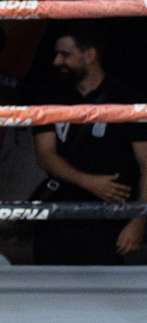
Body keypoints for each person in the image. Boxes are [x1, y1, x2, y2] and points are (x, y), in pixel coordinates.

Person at [33, 29, 147, 265]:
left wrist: (138, 222)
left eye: (65, 54)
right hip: (58, 215)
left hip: (107, 220)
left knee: (101, 284)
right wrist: (89, 182)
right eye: (56, 54)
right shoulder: (50, 97)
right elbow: (44, 156)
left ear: (89, 55)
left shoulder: (126, 100)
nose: (57, 61)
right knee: (48, 283)